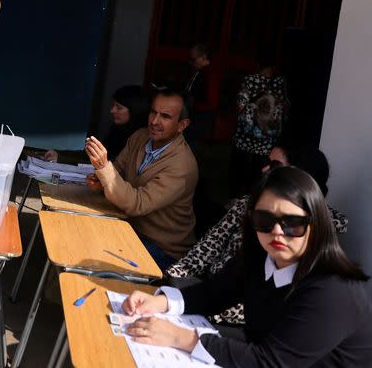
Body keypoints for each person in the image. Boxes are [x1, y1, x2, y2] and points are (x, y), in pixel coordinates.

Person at [122, 167, 372, 367]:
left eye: (292, 222)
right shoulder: (260, 257)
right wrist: (161, 302)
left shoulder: (333, 290)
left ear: (315, 225)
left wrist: (180, 338)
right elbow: (214, 293)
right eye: (265, 220)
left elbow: (271, 362)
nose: (277, 231)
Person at [166, 143, 348, 325]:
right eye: (264, 220)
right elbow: (206, 251)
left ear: (299, 177)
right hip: (211, 295)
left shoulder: (312, 233)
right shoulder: (247, 207)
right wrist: (169, 279)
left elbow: (268, 305)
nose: (277, 231)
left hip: (236, 320)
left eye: (275, 165)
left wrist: (193, 321)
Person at [85, 89, 198, 270]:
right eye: (153, 112)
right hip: (129, 227)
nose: (154, 121)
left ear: (182, 125)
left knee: (92, 254)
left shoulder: (182, 166)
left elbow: (138, 204)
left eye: (165, 116)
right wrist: (100, 180)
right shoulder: (140, 136)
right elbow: (118, 170)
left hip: (162, 249)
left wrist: (104, 169)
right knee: (81, 234)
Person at [229, 46, 288, 198]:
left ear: (257, 64)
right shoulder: (280, 83)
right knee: (259, 179)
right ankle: (255, 204)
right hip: (266, 145)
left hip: (244, 141)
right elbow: (286, 107)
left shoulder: (250, 81)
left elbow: (240, 105)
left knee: (240, 176)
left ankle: (236, 203)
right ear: (274, 66)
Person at [43, 84, 149, 163]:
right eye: (114, 105)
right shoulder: (118, 131)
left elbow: (105, 164)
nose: (112, 110)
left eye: (119, 107)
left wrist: (62, 159)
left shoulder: (140, 140)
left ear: (135, 111)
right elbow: (93, 156)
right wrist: (59, 154)